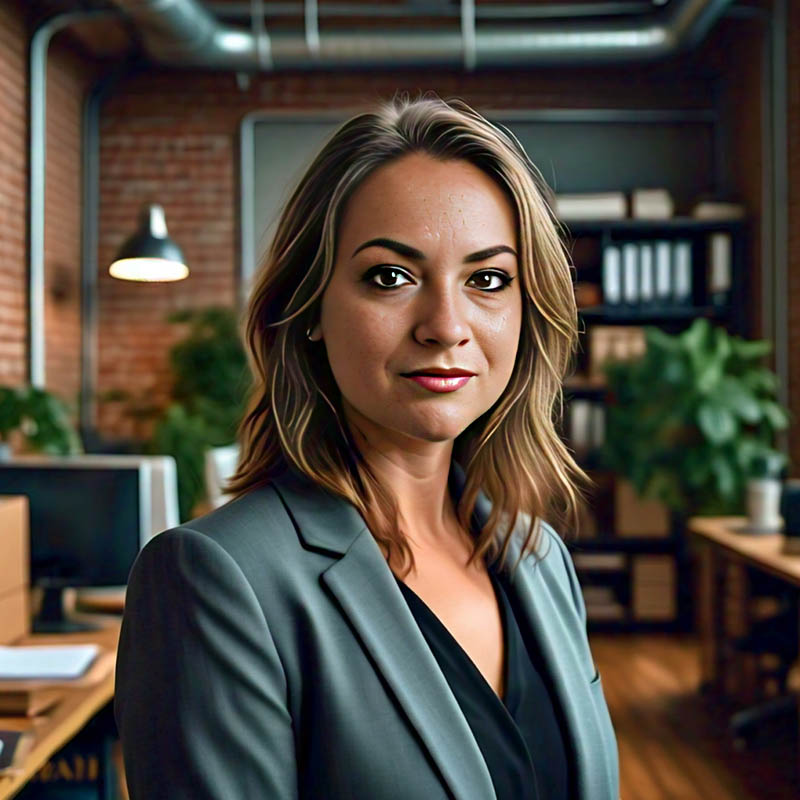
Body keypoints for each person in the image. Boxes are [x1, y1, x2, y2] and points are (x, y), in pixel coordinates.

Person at [114, 92, 620, 800]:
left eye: (488, 279)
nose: (447, 325)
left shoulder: (539, 559)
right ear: (309, 307)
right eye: (391, 276)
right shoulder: (216, 580)